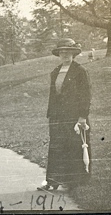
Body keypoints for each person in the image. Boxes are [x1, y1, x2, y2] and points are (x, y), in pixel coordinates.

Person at [38, 38, 92, 191]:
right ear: (59, 54)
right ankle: (52, 181)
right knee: (56, 147)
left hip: (74, 116)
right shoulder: (56, 71)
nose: (65, 55)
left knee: (74, 147)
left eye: (68, 52)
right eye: (62, 52)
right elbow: (53, 95)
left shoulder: (80, 71)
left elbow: (86, 95)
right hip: (57, 116)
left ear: (74, 54)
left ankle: (75, 182)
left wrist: (82, 116)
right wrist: (51, 114)